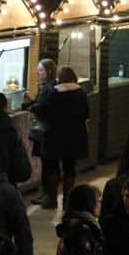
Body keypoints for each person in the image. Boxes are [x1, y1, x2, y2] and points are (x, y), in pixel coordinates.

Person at [32, 66, 90, 209]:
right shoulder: (81, 93)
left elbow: (41, 110)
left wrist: (31, 107)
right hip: (75, 136)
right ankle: (68, 200)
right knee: (70, 168)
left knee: (51, 167)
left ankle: (51, 199)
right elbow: (87, 113)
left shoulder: (53, 93)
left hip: (54, 136)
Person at [25, 58, 58, 201]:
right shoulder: (47, 87)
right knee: (48, 163)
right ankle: (48, 193)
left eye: (40, 70)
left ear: (48, 72)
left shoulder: (49, 88)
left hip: (45, 131)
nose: (37, 73)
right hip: (47, 131)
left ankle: (49, 195)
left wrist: (31, 106)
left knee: (48, 164)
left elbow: (43, 106)